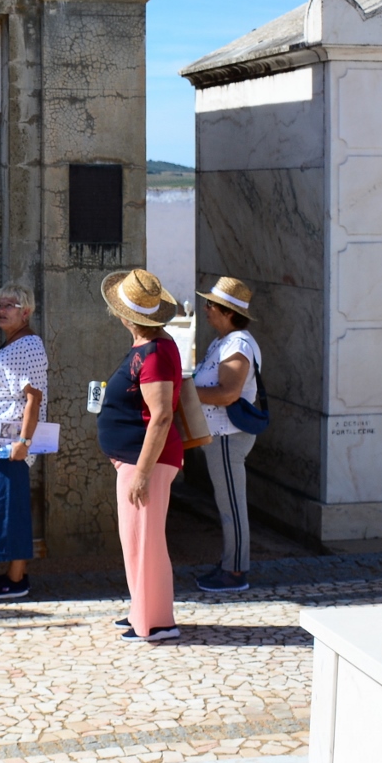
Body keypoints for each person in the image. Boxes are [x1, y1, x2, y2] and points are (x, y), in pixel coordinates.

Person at [95, 268, 184, 644]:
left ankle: (156, 622)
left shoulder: (156, 351)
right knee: (138, 540)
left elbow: (161, 415)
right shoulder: (149, 347)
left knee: (144, 541)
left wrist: (144, 473)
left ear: (123, 314)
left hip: (144, 460)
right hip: (135, 459)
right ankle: (143, 611)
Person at [0, 284, 47, 601]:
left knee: (13, 508)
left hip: (12, 442)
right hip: (4, 439)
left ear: (26, 311)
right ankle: (14, 572)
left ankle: (16, 580)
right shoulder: (15, 344)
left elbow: (34, 398)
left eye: (11, 304)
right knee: (8, 505)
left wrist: (24, 441)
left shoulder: (27, 345)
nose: (2, 310)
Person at [193, 277, 263, 594]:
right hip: (219, 434)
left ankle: (235, 571)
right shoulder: (222, 343)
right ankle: (229, 563)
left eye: (210, 305)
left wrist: (186, 394)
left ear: (227, 311)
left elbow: (227, 393)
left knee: (231, 504)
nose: (206, 309)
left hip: (228, 435)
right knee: (227, 502)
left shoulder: (238, 344)